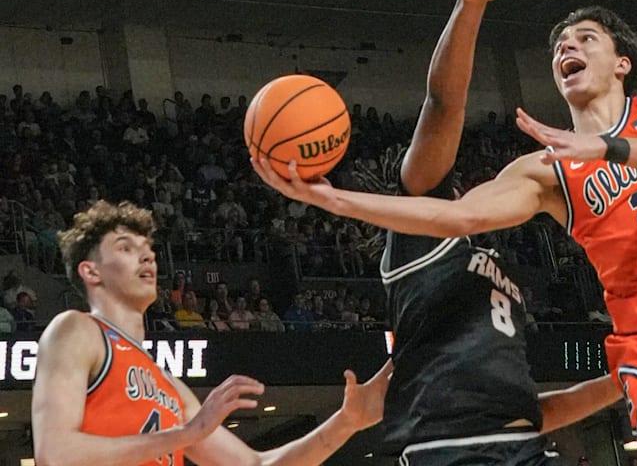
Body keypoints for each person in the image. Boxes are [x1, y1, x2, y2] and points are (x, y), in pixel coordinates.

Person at [254, 0, 637, 466]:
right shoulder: (547, 171)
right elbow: (460, 215)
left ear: (622, 62)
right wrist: (336, 199)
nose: (567, 47)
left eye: (586, 39)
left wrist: (605, 147)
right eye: (559, 47)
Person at [266, 0, 619, 464]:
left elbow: (528, 409)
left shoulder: (496, 261)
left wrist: (619, 380)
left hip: (522, 446)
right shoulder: (418, 231)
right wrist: (471, 6)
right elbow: (444, 102)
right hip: (448, 451)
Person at [32, 200, 392, 466]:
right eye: (126, 248)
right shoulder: (76, 329)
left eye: (149, 250)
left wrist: (347, 422)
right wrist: (186, 434)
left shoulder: (168, 385)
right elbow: (55, 454)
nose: (148, 258)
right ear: (91, 272)